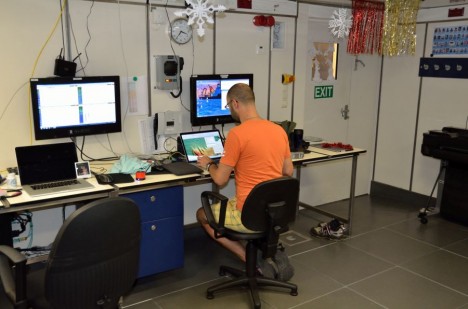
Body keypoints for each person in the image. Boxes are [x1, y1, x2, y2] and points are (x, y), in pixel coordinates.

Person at [196, 83, 293, 263]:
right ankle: (259, 251)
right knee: (233, 202)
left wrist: (209, 164)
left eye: (228, 106)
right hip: (273, 210)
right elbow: (288, 170)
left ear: (235, 103)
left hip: (248, 214)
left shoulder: (237, 134)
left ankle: (249, 261)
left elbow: (220, 179)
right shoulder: (279, 130)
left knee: (202, 214)